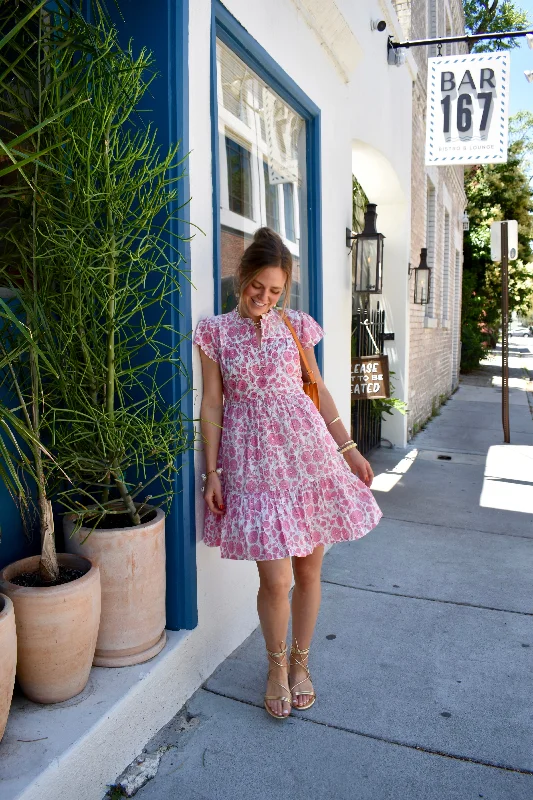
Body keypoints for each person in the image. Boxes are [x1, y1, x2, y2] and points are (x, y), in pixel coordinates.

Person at [194, 227, 382, 720]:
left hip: (308, 459)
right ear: (243, 276)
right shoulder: (215, 332)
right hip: (252, 466)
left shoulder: (298, 326)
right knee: (276, 580)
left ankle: (301, 662)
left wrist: (349, 450)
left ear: (286, 290)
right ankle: (275, 667)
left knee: (308, 571)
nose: (264, 297)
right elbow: (211, 402)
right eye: (258, 286)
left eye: (275, 290)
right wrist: (211, 470)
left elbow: (317, 391)